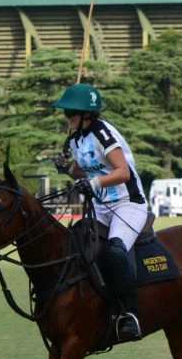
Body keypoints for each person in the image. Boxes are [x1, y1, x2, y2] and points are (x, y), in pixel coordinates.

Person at [52, 83, 148, 341]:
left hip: (128, 204)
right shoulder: (75, 139)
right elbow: (89, 172)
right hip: (100, 207)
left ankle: (130, 315)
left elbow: (122, 172)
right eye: (65, 111)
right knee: (76, 246)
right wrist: (69, 170)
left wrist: (92, 183)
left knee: (115, 251)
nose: (67, 115)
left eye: (71, 111)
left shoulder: (103, 133)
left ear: (87, 114)